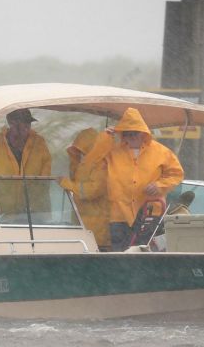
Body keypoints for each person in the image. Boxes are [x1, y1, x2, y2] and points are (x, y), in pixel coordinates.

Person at [83, 107, 184, 252]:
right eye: (127, 133)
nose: (131, 137)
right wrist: (104, 140)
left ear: (143, 133)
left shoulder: (162, 152)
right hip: (119, 217)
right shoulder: (112, 152)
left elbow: (177, 174)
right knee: (120, 259)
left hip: (150, 216)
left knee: (148, 257)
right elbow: (90, 164)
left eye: (135, 133)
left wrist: (160, 185)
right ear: (122, 134)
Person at [0, 108, 52, 219]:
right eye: (24, 124)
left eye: (29, 124)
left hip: (35, 212)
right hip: (3, 212)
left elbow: (45, 176)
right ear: (11, 124)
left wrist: (35, 202)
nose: (27, 128)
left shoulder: (39, 142)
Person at [58, 128, 111, 250]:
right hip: (82, 227)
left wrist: (67, 183)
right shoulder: (83, 165)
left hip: (98, 232)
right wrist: (74, 160)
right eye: (78, 150)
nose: (80, 152)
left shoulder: (101, 165)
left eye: (81, 149)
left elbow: (92, 191)